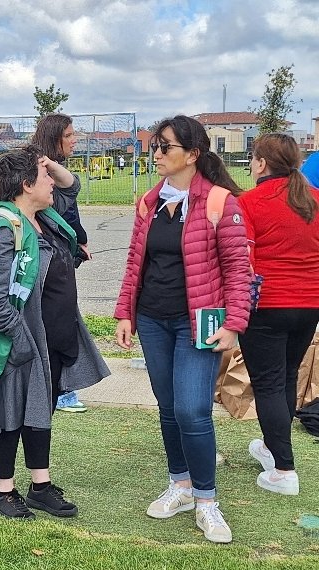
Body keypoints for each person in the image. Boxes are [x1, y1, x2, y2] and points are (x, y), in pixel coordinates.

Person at [114, 115, 250, 544]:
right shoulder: (148, 203)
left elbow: (238, 271)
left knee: (193, 410)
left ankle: (207, 500)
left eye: (165, 147)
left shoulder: (219, 202)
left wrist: (234, 324)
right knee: (169, 407)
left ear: (192, 155)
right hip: (153, 320)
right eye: (154, 146)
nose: (156, 154)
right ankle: (181, 485)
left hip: (198, 324)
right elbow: (136, 261)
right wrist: (125, 314)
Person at [0, 144, 108, 520]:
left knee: (41, 408)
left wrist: (50, 165)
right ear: (27, 185)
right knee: (9, 411)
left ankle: (40, 486)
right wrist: (21, 339)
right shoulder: (3, 226)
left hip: (51, 338)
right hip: (18, 341)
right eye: (43, 177)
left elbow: (70, 188)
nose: (51, 183)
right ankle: (3, 492)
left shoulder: (45, 218)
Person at [238, 133, 319, 496]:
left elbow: (244, 259)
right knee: (285, 376)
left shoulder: (250, 202)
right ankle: (274, 448)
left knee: (269, 382)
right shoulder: (314, 199)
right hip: (309, 304)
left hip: (268, 304)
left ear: (260, 163)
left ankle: (283, 468)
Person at [31, 113, 90, 412]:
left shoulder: (54, 171)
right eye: (69, 135)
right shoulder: (35, 177)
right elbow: (70, 192)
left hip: (61, 260)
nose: (74, 139)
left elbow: (70, 196)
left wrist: (78, 238)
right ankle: (60, 391)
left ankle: (61, 388)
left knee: (62, 328)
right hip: (45, 271)